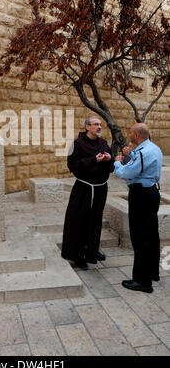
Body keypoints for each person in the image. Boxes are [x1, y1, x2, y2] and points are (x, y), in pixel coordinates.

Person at [114, 123, 163, 293]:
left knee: (140, 236)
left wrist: (118, 163)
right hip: (151, 193)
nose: (129, 135)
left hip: (141, 196)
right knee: (151, 233)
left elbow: (125, 173)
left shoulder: (144, 152)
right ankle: (152, 272)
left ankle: (142, 281)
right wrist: (131, 154)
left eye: (130, 132)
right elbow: (143, 162)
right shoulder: (153, 148)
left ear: (136, 135)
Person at [61, 116, 114, 270]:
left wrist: (109, 159)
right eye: (96, 124)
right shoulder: (77, 144)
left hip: (100, 188)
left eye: (100, 124)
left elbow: (111, 167)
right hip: (84, 188)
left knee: (95, 221)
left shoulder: (103, 143)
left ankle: (92, 250)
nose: (99, 127)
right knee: (80, 221)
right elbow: (71, 165)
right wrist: (93, 160)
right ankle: (77, 256)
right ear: (87, 127)